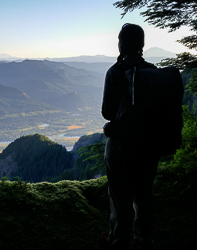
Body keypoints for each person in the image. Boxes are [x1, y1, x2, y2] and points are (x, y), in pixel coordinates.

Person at [101, 23, 159, 250]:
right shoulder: (153, 72)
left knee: (119, 197)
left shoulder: (115, 72)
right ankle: (145, 239)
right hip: (149, 144)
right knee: (144, 194)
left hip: (122, 145)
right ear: (142, 44)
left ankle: (120, 241)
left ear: (121, 43)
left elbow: (107, 111)